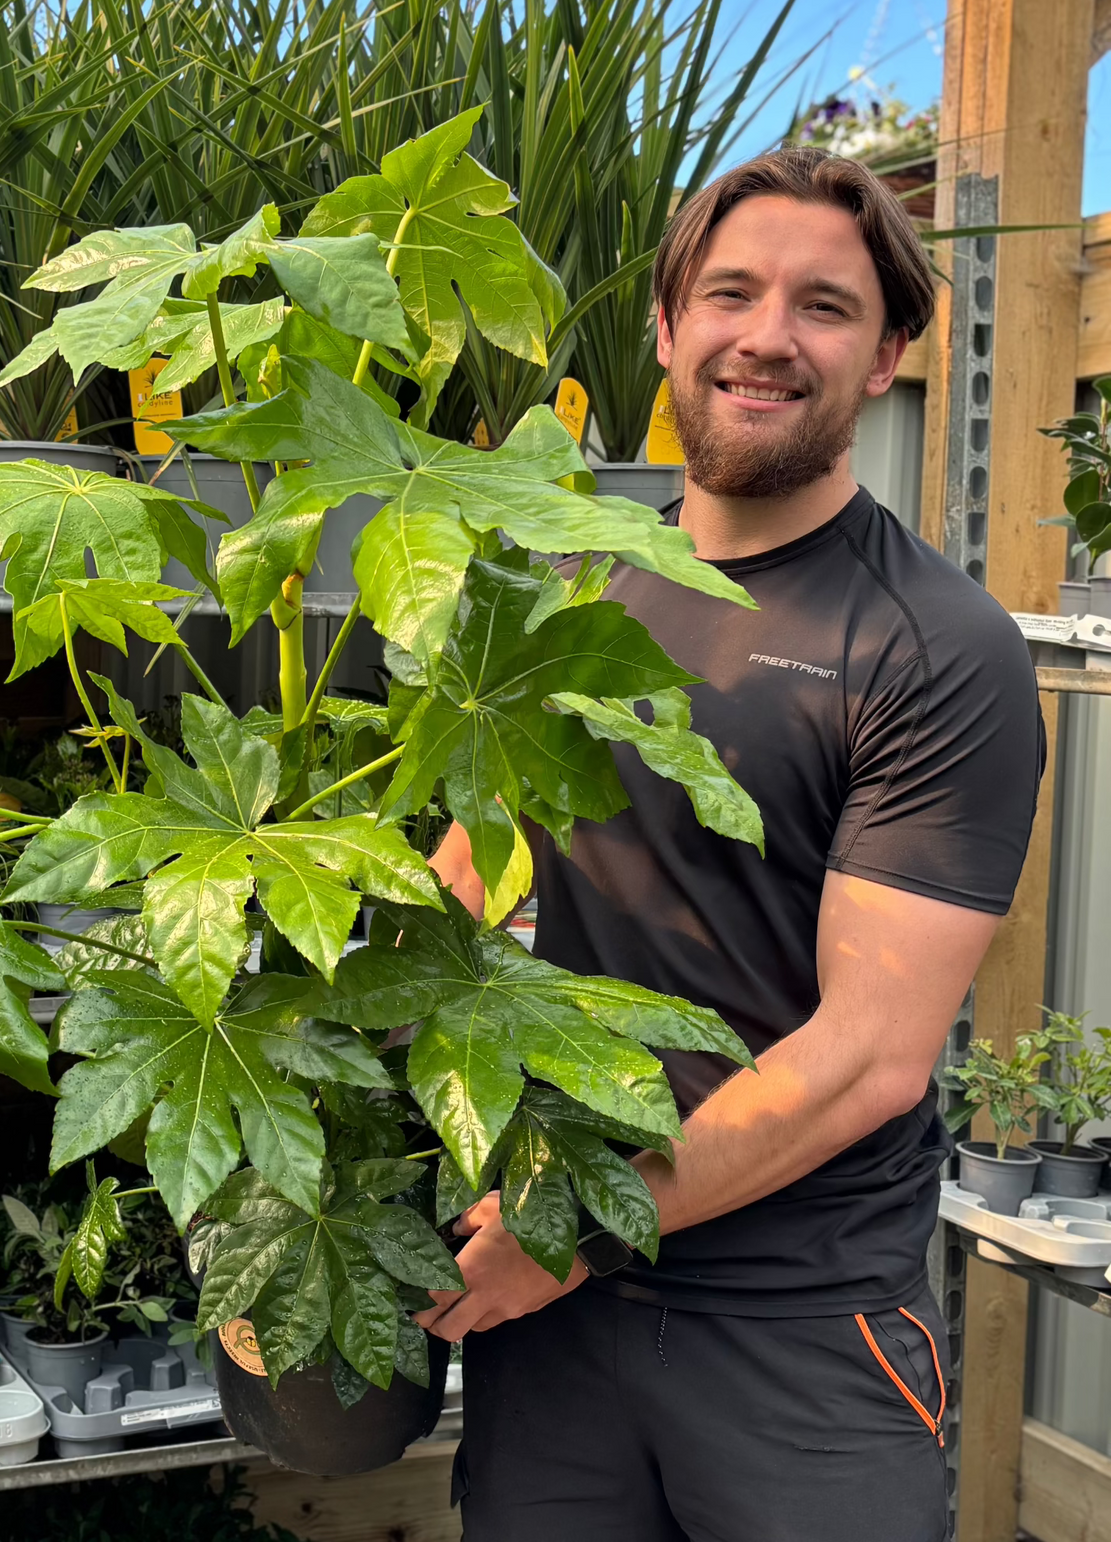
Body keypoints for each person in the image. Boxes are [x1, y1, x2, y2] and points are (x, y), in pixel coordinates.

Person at [416, 148, 1045, 1542]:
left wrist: (567, 1230)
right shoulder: (571, 581)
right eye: (731, 293)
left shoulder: (933, 647)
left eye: (823, 308)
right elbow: (471, 879)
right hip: (556, 1320)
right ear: (665, 326)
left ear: (886, 357)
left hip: (797, 1325)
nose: (766, 337)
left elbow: (868, 1054)